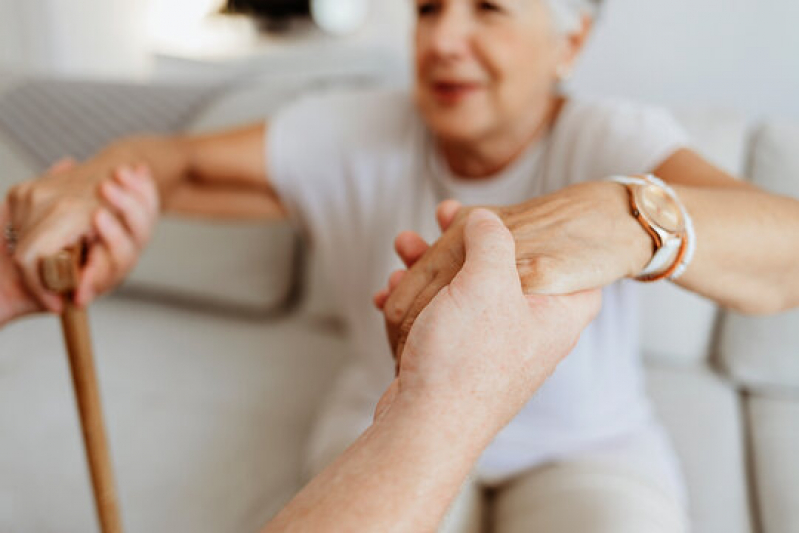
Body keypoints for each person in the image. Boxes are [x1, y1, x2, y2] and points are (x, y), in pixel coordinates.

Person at [3, 0, 799, 530]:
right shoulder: (348, 129)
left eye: (485, 7)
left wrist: (624, 214)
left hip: (589, 445)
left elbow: (786, 256)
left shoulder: (613, 134)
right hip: (383, 413)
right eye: (427, 8)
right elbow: (172, 164)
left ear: (572, 40)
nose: (443, 38)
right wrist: (81, 188)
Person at [262, 208, 600, 532]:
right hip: (379, 415)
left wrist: (631, 204)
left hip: (589, 444)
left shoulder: (603, 148)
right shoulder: (350, 155)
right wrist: (439, 398)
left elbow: (656, 189)